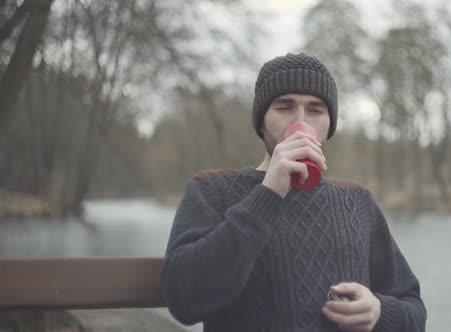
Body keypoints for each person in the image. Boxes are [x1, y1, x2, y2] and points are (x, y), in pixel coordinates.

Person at [160, 53, 427, 332]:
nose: (301, 121)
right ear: (261, 122)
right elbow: (183, 301)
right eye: (284, 107)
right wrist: (268, 193)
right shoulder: (212, 191)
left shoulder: (358, 202)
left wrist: (380, 312)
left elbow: (413, 308)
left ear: (330, 125)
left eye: (316, 109)